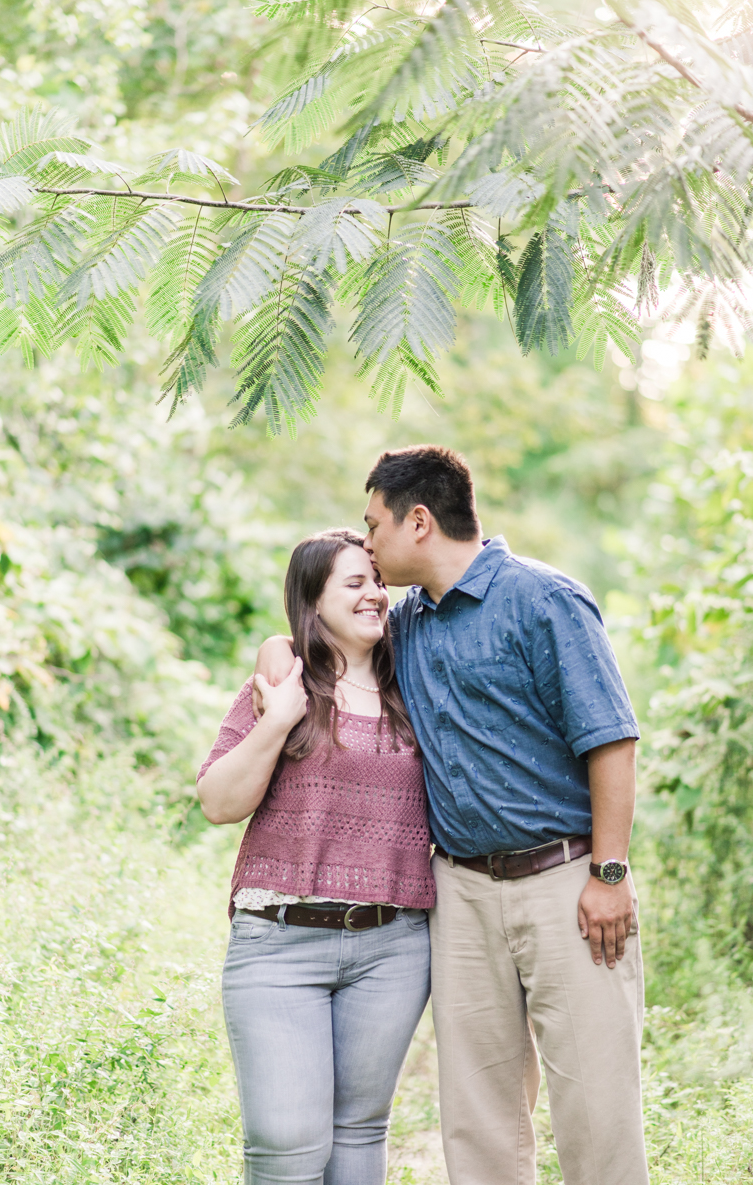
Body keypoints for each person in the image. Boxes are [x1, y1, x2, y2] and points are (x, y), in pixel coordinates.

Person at [255, 446, 649, 1185]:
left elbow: (612, 739)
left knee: (596, 1110)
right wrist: (277, 645)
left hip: (566, 879)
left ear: (420, 520)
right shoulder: (405, 625)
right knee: (479, 1119)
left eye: (374, 525)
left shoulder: (544, 600)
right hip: (460, 894)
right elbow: (324, 636)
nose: (367, 542)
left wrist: (609, 870)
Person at [197, 528, 435, 1185]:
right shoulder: (280, 684)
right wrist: (277, 721)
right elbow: (217, 801)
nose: (374, 595)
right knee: (287, 1145)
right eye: (353, 583)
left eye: (378, 581)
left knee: (359, 1136)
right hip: (278, 941)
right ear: (313, 601)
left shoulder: (412, 681)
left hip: (394, 945)